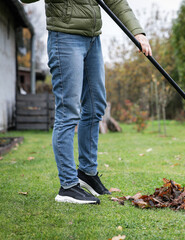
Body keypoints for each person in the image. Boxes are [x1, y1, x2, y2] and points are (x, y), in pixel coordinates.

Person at [21, 0, 152, 204]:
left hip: (93, 38)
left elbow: (116, 1)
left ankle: (87, 173)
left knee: (95, 106)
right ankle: (68, 186)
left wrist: (137, 31)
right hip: (64, 36)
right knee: (68, 111)